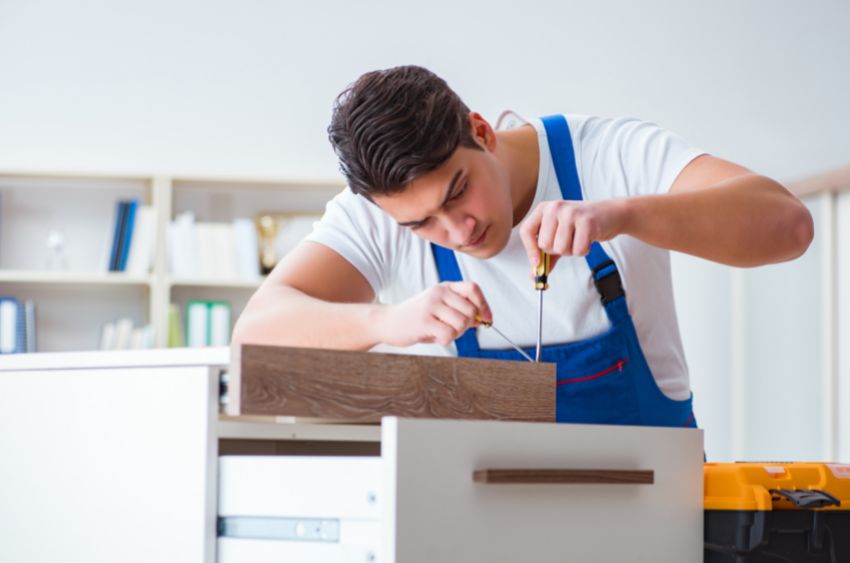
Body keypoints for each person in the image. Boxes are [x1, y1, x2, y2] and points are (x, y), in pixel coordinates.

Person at [232, 65, 812, 427]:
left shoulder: (608, 153)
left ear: (481, 131)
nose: (457, 231)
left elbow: (789, 225)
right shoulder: (379, 210)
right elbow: (257, 333)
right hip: (485, 518)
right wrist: (386, 322)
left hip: (655, 506)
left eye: (459, 192)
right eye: (421, 225)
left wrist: (624, 212)